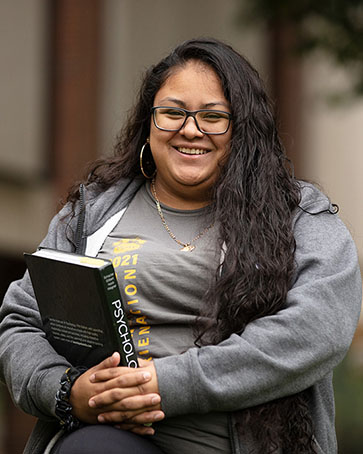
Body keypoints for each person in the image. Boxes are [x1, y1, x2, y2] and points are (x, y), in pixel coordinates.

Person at [0, 38, 361, 454]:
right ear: (148, 124)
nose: (190, 129)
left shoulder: (298, 216)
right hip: (108, 438)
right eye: (172, 112)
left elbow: (318, 327)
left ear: (243, 131)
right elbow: (21, 321)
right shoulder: (92, 212)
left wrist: (165, 384)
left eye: (213, 116)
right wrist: (68, 391)